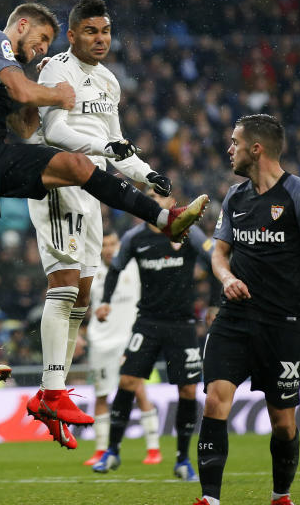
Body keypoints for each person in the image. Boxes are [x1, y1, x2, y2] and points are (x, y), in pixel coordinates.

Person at [0, 1, 209, 390]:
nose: (44, 47)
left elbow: (25, 127)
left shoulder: (33, 73)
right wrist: (54, 94)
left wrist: (40, 90)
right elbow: (20, 89)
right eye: (42, 38)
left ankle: (164, 218)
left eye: (48, 42)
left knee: (79, 167)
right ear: (22, 25)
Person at [23, 0, 175, 445]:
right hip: (58, 178)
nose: (100, 39)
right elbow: (53, 131)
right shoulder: (57, 70)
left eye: (105, 31)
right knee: (66, 284)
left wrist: (147, 175)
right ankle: (50, 390)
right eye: (90, 31)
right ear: (72, 35)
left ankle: (56, 395)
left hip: (93, 188)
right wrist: (108, 152)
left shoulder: (109, 81)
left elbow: (117, 141)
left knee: (83, 295)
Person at [193, 114, 300, 505]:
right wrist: (225, 279)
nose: (229, 149)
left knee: (283, 422)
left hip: (283, 324)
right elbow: (219, 255)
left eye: (235, 142)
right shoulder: (235, 197)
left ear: (256, 149)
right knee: (215, 400)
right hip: (234, 318)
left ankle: (280, 495)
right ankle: (210, 499)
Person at [93, 188, 214, 481]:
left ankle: (183, 459)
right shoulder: (134, 237)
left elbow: (214, 262)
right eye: (148, 195)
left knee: (188, 390)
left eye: (158, 195)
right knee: (127, 381)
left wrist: (214, 304)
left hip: (183, 324)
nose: (152, 199)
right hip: (147, 321)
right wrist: (106, 300)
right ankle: (112, 451)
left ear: (171, 204)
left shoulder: (188, 232)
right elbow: (116, 268)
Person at [86, 232, 161, 466]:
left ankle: (153, 449)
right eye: (104, 245)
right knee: (101, 394)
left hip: (129, 340)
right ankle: (100, 450)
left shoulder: (134, 268)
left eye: (112, 244)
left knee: (138, 390)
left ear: (120, 246)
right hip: (100, 342)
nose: (109, 249)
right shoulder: (91, 273)